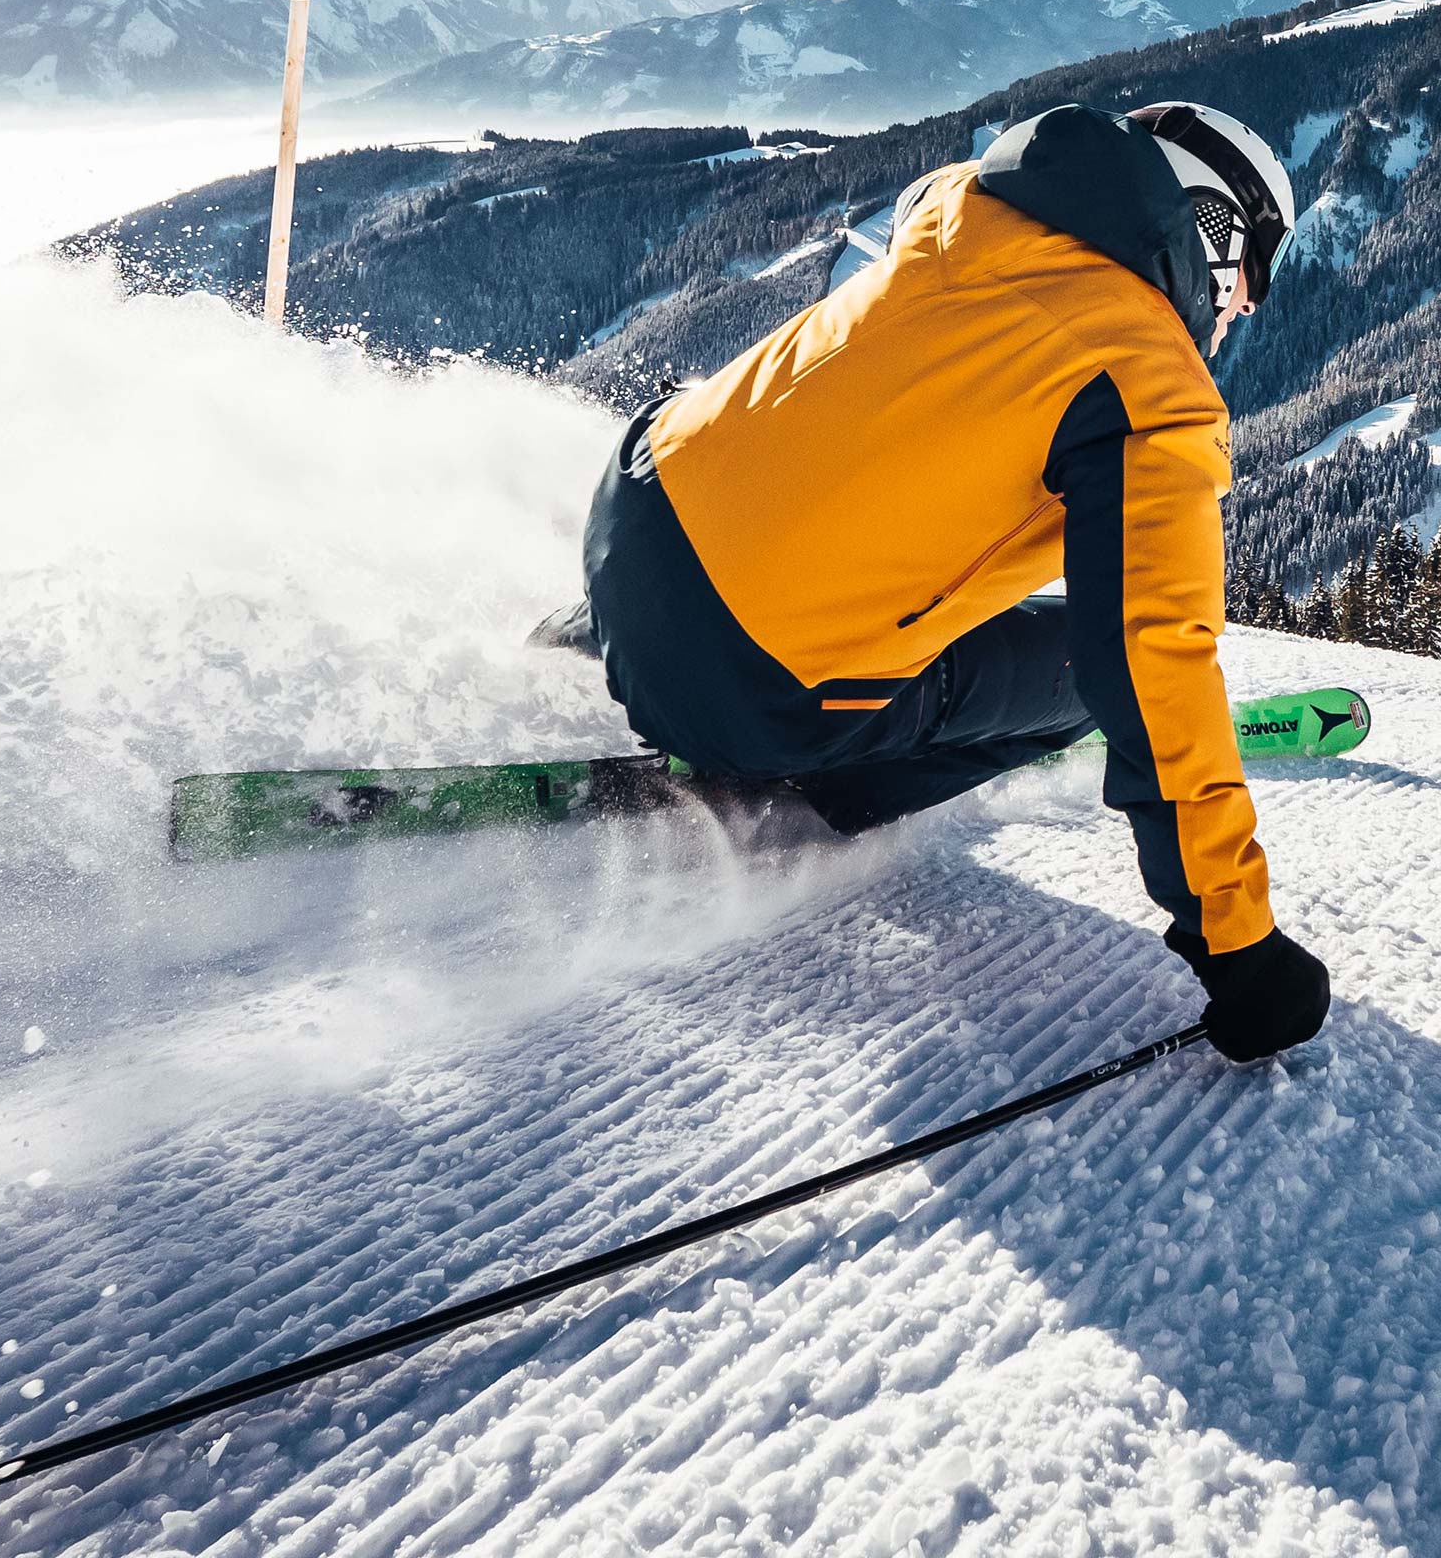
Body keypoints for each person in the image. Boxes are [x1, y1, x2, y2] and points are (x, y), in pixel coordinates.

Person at [556, 99, 1331, 1064]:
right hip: (739, 691)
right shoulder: (1148, 384)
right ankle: (806, 787)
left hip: (630, 517)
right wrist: (1239, 945)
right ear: (1214, 227)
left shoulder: (964, 209)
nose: (1248, 304)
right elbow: (1150, 661)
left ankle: (592, 630)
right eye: (1256, 269)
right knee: (1079, 678)